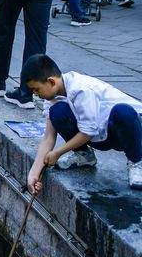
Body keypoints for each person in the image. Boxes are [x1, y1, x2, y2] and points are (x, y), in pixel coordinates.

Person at [22, 53, 142, 192]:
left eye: (36, 89)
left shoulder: (81, 89)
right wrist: (33, 174)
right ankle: (84, 156)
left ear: (51, 81)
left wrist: (58, 153)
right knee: (58, 112)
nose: (36, 94)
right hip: (101, 134)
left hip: (130, 129)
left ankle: (136, 161)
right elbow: (49, 136)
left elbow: (88, 133)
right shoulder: (53, 97)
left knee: (123, 111)